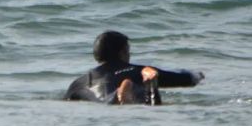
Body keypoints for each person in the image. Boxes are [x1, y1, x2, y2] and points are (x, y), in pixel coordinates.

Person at [64, 30, 204, 105]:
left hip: (102, 102)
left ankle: (118, 95)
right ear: (122, 53)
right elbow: (179, 79)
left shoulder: (78, 83)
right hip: (129, 94)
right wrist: (196, 76)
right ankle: (140, 88)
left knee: (103, 101)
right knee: (146, 94)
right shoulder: (137, 71)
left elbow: (66, 102)